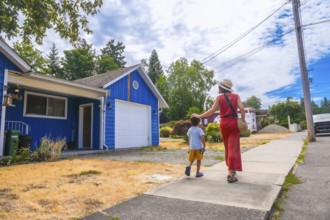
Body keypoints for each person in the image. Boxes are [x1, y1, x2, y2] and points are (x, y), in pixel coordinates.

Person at [192, 79, 245, 183]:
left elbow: (212, 111)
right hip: (233, 123)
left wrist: (200, 116)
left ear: (221, 87)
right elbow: (242, 109)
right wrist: (243, 119)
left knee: (227, 147)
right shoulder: (236, 96)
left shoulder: (219, 98)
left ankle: (231, 168)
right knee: (233, 147)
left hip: (223, 124)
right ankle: (231, 173)